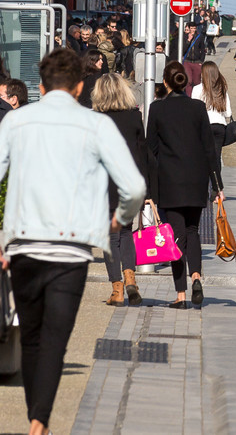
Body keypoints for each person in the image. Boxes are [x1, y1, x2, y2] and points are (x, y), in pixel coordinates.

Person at [0, 50, 145, 435]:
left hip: (24, 245)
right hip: (71, 248)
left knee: (31, 337)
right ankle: (39, 422)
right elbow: (134, 186)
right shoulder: (96, 126)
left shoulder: (15, 121)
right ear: (80, 87)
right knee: (55, 339)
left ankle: (37, 418)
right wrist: (120, 219)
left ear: (41, 85)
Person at [146, 61, 223, 310]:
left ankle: (181, 294)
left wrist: (149, 189)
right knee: (192, 231)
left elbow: (151, 151)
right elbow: (209, 149)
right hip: (196, 180)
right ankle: (196, 277)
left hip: (170, 182)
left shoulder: (157, 109)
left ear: (165, 82)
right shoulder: (198, 107)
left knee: (176, 236)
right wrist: (217, 184)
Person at [92, 73, 151, 307]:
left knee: (110, 237)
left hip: (105, 185)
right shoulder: (134, 117)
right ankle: (131, 280)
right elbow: (142, 155)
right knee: (126, 233)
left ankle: (117, 290)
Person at [193, 61, 233, 153]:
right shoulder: (221, 89)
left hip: (203, 126)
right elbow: (228, 113)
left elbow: (194, 111)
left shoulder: (197, 89)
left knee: (203, 155)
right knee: (216, 156)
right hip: (219, 126)